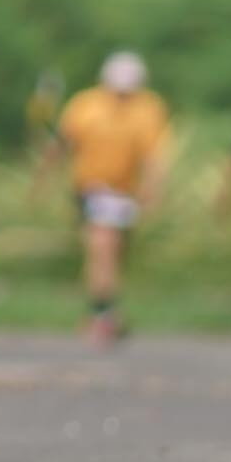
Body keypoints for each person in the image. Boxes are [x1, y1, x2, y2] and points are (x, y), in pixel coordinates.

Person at [57, 50, 173, 341]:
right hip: (92, 188)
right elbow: (64, 142)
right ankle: (103, 314)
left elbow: (154, 155)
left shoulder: (148, 108)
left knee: (112, 253)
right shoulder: (85, 105)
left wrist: (153, 189)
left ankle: (101, 308)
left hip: (124, 192)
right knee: (102, 247)